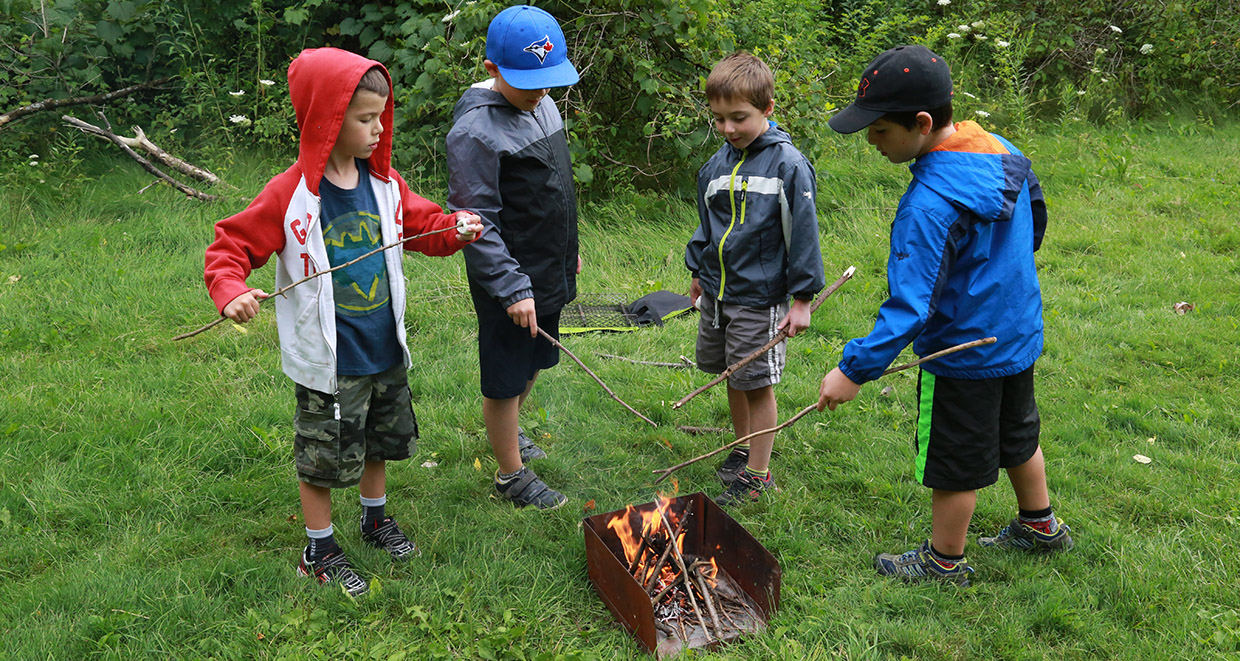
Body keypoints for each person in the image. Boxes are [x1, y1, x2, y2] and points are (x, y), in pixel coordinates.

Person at [204, 48, 483, 596]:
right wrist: (231, 289)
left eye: (381, 116)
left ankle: (375, 519)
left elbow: (423, 224)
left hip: (383, 346)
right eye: (363, 119)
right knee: (323, 458)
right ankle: (319, 547)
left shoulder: (384, 185)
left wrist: (456, 227)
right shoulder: (291, 195)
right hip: (329, 361)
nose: (378, 129)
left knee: (378, 440)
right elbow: (231, 244)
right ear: (326, 119)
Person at [816, 45, 1073, 586]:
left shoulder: (928, 205)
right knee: (1017, 433)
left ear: (923, 123)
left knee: (955, 459)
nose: (871, 140)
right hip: (1016, 333)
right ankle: (1040, 525)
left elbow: (911, 307)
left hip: (960, 352)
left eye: (881, 130)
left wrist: (853, 369)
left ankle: (943, 560)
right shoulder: (1001, 150)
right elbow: (1037, 217)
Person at [446, 6, 581, 510]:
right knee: (505, 374)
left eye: (549, 81)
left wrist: (571, 251)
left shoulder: (542, 105)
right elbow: (476, 225)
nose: (541, 92)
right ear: (492, 70)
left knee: (535, 360)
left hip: (550, 266)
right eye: (530, 83)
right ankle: (510, 475)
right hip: (509, 279)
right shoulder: (474, 132)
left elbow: (558, 190)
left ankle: (512, 433)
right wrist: (512, 287)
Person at [686, 52, 826, 507]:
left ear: (767, 109)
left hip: (759, 298)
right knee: (732, 373)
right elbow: (707, 224)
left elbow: (803, 233)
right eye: (720, 119)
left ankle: (758, 474)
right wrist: (699, 272)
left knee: (756, 381)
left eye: (739, 118)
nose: (728, 129)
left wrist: (802, 298)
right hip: (719, 294)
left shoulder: (788, 166)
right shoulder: (717, 164)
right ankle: (742, 449)